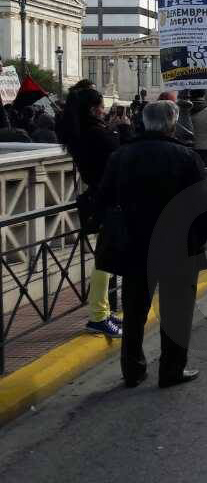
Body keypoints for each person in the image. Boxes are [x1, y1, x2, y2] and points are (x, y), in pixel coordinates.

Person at [98, 101, 207, 388]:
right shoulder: (186, 157)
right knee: (176, 311)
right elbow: (203, 206)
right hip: (178, 243)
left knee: (134, 311)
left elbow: (104, 200)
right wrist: (198, 241)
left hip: (134, 244)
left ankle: (133, 370)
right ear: (172, 123)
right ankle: (171, 369)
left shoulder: (121, 156)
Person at [55, 87, 123, 339]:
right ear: (94, 109)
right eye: (102, 107)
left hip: (97, 197)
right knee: (105, 261)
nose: (105, 110)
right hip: (107, 199)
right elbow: (119, 154)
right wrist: (120, 130)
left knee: (105, 259)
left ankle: (103, 311)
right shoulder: (96, 134)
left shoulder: (81, 133)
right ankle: (98, 315)